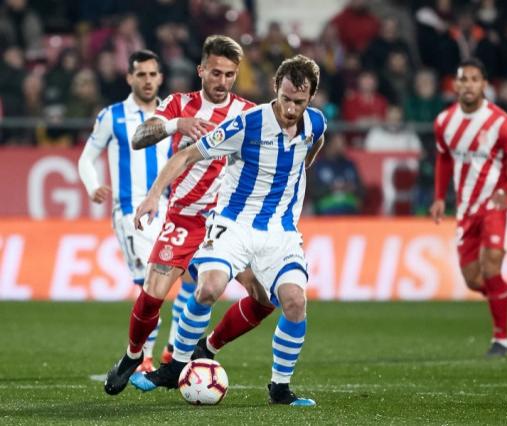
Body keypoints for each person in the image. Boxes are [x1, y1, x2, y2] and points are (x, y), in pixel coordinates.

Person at [130, 54, 327, 407]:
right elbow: (187, 155)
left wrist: (304, 165)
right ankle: (175, 365)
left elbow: (315, 143)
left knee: (294, 303)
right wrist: (153, 195)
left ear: (311, 98)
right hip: (233, 224)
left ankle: (279, 388)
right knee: (209, 287)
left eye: (299, 101)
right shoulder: (247, 123)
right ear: (275, 89)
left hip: (280, 233)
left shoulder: (315, 123)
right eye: (285, 99)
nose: (291, 109)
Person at [103, 36, 275, 396]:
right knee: (152, 296)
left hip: (226, 224)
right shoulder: (180, 103)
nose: (222, 81)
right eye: (215, 72)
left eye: (230, 74)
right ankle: (134, 355)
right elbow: (138, 137)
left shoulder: (248, 114)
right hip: (183, 218)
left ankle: (205, 349)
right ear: (201, 70)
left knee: (264, 298)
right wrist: (176, 125)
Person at [429, 58, 507, 357]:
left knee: (491, 268)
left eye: (474, 79)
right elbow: (444, 158)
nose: (468, 85)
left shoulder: (500, 123)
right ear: (455, 84)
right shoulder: (444, 122)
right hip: (465, 209)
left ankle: (500, 339)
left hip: (496, 205)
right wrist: (440, 197)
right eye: (463, 79)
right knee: (474, 279)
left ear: (484, 85)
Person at [78, 50, 170, 371]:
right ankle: (143, 357)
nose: (147, 80)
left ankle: (172, 351)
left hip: (169, 210)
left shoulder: (170, 114)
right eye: (140, 74)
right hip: (131, 214)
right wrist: (92, 186)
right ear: (129, 78)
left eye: (152, 74)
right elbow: (86, 158)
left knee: (193, 280)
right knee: (149, 283)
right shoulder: (112, 116)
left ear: (160, 77)